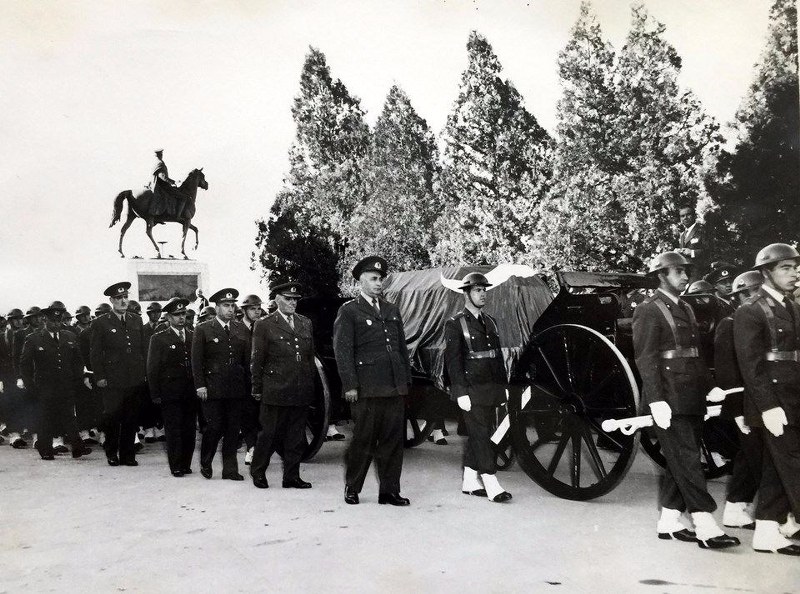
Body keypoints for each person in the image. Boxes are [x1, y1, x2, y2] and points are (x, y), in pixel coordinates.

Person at [632, 251, 739, 549]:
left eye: (685, 271)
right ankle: (705, 525)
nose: (684, 276)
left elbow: (695, 356)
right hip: (669, 398)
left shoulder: (686, 309)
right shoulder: (648, 309)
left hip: (691, 394)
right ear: (661, 276)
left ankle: (668, 521)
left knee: (681, 459)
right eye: (677, 271)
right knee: (689, 460)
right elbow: (646, 358)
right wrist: (656, 400)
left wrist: (711, 386)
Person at [734, 243, 800, 554]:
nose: (794, 273)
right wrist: (769, 406)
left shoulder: (791, 306)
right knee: (791, 463)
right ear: (766, 273)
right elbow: (751, 365)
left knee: (777, 467)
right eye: (785, 268)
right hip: (772, 400)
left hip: (794, 396)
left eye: (795, 267)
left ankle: (767, 531)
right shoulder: (750, 310)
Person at [333, 256, 411, 506]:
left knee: (392, 442)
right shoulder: (349, 311)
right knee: (363, 441)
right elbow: (343, 351)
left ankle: (389, 491)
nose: (379, 283)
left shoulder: (391, 310)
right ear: (360, 281)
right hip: (366, 388)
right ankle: (353, 487)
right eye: (374, 279)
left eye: (381, 279)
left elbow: (401, 349)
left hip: (392, 386)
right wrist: (350, 385)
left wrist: (404, 382)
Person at [444, 272, 511, 503]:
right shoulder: (455, 324)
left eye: (485, 290)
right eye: (477, 290)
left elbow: (497, 357)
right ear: (466, 293)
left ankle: (470, 481)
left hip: (490, 388)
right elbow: (452, 361)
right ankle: (491, 482)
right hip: (471, 390)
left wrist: (504, 388)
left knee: (479, 435)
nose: (483, 294)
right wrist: (460, 392)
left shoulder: (490, 321)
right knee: (481, 435)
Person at [250, 281, 315, 489]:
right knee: (268, 435)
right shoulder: (264, 324)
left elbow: (309, 358)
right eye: (288, 299)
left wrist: (310, 386)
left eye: (295, 300)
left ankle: (291, 477)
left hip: (299, 389)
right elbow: (257, 360)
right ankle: (258, 472)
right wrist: (257, 388)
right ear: (277, 300)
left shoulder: (305, 323)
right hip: (275, 390)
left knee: (296, 437)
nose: (293, 303)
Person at [715, 270, 764, 530]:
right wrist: (736, 412)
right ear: (743, 295)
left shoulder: (760, 320)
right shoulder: (729, 323)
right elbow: (726, 373)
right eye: (755, 292)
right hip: (743, 402)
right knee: (755, 454)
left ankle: (736, 508)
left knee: (751, 454)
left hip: (761, 398)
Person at [20, 301, 91, 461]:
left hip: (66, 385)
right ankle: (46, 450)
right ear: (45, 320)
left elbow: (78, 361)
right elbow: (24, 366)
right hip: (44, 387)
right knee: (46, 418)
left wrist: (78, 378)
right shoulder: (34, 339)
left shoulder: (70, 336)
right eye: (53, 321)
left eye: (59, 321)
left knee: (70, 417)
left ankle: (77, 448)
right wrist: (31, 387)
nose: (56, 324)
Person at [191, 288, 250, 481]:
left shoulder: (241, 329)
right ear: (216, 307)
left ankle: (230, 470)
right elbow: (196, 361)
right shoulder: (204, 329)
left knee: (233, 430)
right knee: (214, 428)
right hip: (213, 388)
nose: (231, 309)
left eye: (233, 305)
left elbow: (246, 359)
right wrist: (200, 386)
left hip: (235, 388)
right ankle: (206, 463)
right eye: (226, 305)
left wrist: (249, 386)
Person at [90, 281, 146, 467]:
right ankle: (112, 453)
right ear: (111, 300)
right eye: (119, 298)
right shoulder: (100, 322)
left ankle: (128, 455)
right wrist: (100, 377)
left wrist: (143, 374)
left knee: (131, 418)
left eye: (125, 297)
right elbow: (95, 353)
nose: (123, 301)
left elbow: (142, 349)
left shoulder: (136, 319)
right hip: (112, 379)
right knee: (113, 418)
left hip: (133, 378)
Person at [146, 298, 196, 477]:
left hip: (190, 392)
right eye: (177, 315)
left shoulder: (193, 335)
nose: (181, 318)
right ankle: (176, 465)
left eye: (183, 314)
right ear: (168, 317)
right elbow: (152, 368)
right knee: (174, 430)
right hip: (170, 393)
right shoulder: (159, 338)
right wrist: (155, 393)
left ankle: (186, 464)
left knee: (189, 430)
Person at [239, 294, 263, 466]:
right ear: (244, 310)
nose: (257, 312)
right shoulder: (236, 328)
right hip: (244, 380)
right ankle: (251, 448)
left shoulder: (265, 327)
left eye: (258, 308)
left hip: (263, 379)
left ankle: (262, 447)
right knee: (248, 416)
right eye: (252, 309)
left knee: (263, 416)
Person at [677, 205, 707, 278]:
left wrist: (692, 252)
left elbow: (710, 251)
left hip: (701, 273)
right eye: (682, 216)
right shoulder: (682, 235)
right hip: (686, 274)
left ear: (694, 216)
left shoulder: (703, 230)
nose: (685, 218)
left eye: (688, 215)